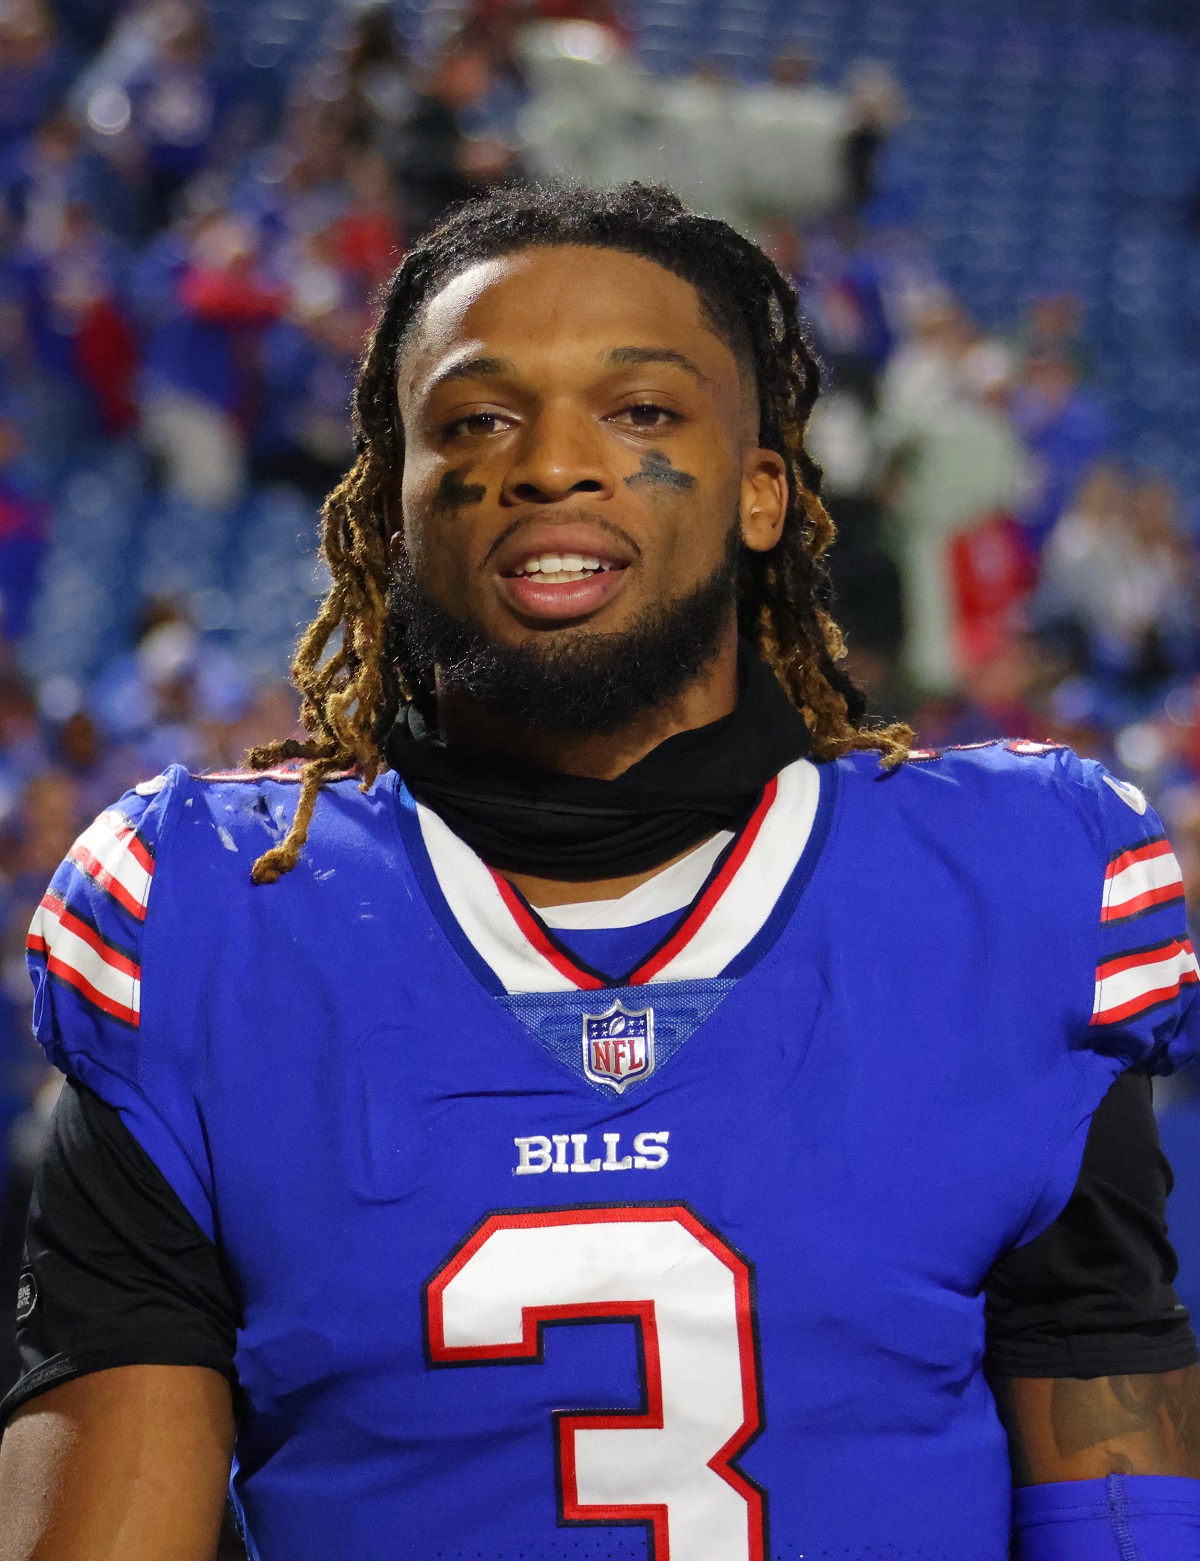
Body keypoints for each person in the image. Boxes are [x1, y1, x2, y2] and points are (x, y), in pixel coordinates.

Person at [1, 183, 1200, 1561]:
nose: (552, 462)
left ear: (764, 493)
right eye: (476, 419)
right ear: (391, 511)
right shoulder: (211, 917)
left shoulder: (1014, 891)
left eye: (640, 412)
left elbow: (1115, 1479)